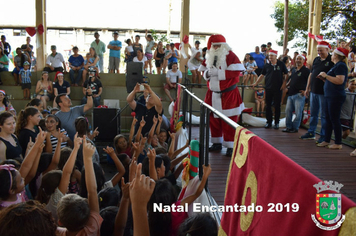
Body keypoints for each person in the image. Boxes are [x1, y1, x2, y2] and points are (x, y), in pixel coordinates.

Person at [198, 34, 245, 156]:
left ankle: (230, 146)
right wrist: (207, 74)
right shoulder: (209, 56)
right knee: (213, 120)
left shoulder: (231, 56)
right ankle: (216, 143)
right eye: (214, 45)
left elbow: (236, 72)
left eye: (219, 45)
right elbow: (203, 71)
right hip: (213, 94)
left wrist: (219, 73)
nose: (217, 47)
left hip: (228, 94)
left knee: (229, 121)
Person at [56, 138, 103, 235]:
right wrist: (88, 159)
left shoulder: (56, 232)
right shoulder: (92, 229)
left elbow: (66, 174)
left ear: (59, 222)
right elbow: (92, 191)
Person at [300, 41, 334, 142]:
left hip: (324, 92)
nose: (319, 52)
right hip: (314, 90)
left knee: (324, 115)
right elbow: (311, 74)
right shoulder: (316, 60)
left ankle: (323, 135)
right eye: (318, 50)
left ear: (327, 50)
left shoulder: (331, 60)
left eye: (321, 50)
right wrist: (307, 88)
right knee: (313, 113)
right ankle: (311, 132)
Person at [316, 47, 349, 150]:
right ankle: (326, 139)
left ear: (336, 56)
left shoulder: (341, 66)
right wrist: (325, 79)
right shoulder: (336, 66)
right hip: (330, 95)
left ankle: (338, 142)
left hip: (335, 96)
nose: (331, 55)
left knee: (334, 119)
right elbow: (334, 81)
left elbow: (340, 81)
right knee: (328, 119)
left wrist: (326, 76)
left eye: (333, 53)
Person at [252, 50, 289, 129]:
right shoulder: (267, 65)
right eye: (269, 56)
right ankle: (268, 122)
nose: (270, 57)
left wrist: (284, 83)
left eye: (272, 56)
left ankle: (276, 122)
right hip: (268, 88)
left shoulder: (281, 64)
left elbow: (286, 74)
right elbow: (262, 75)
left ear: (276, 56)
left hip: (278, 88)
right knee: (268, 106)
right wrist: (255, 83)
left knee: (277, 106)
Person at [282, 55, 310, 133]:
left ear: (304, 61)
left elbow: (310, 81)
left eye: (300, 59)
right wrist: (286, 85)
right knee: (288, 111)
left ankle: (295, 128)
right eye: (297, 59)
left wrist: (306, 90)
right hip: (291, 94)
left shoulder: (306, 71)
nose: (298, 60)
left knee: (298, 112)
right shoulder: (293, 69)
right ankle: (288, 127)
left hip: (299, 94)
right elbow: (291, 79)